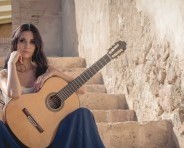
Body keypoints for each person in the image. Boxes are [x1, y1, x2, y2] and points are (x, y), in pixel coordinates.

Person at [0, 23, 105, 148]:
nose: (27, 46)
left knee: (83, 113)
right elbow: (15, 93)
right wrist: (12, 63)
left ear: (36, 46)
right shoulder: (4, 74)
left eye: (32, 41)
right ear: (15, 43)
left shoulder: (44, 71)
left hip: (46, 139)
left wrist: (57, 72)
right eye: (22, 40)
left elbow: (82, 90)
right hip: (15, 139)